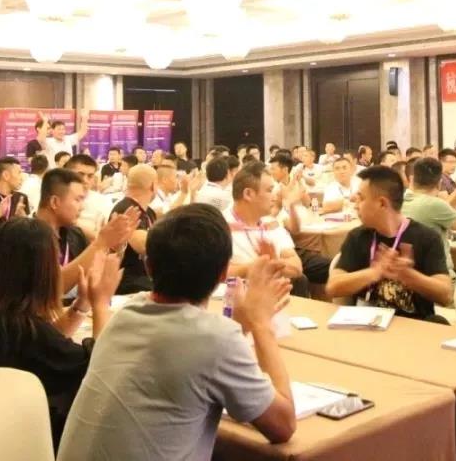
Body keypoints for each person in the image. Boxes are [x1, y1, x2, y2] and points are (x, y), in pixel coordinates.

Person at [57, 205, 296, 460]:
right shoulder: (216, 340)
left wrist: (239, 326)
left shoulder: (125, 316)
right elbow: (283, 425)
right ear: (223, 273)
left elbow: (187, 347)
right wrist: (261, 324)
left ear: (148, 267)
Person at [0, 218, 122, 450]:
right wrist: (100, 303)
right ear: (42, 272)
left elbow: (49, 343)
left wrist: (82, 303)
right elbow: (98, 369)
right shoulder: (16, 326)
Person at [327, 166, 452, 322]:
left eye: (361, 199)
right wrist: (374, 273)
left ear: (382, 203)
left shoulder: (427, 238)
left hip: (413, 326)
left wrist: (408, 275)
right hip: (365, 323)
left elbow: (445, 295)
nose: (356, 205)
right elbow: (332, 287)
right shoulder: (358, 236)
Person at [34, 168, 137, 295]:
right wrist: (101, 243)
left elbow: (98, 277)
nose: (82, 207)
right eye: (77, 200)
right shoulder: (25, 235)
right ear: (54, 202)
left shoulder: (75, 234)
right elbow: (53, 288)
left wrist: (116, 248)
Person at [223, 162, 310, 297]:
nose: (275, 197)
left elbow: (296, 267)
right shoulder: (220, 226)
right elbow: (215, 272)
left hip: (277, 297)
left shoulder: (270, 223)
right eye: (269, 190)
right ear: (248, 194)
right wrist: (261, 266)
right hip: (237, 299)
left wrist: (271, 265)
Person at [401, 157, 456, 281]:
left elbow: (443, 213)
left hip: (414, 277)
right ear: (439, 183)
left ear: (412, 179)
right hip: (440, 280)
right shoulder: (433, 205)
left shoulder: (402, 200)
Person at [112, 165, 160, 295]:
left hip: (143, 279)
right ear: (153, 185)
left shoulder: (148, 212)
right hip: (129, 282)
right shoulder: (126, 209)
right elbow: (143, 246)